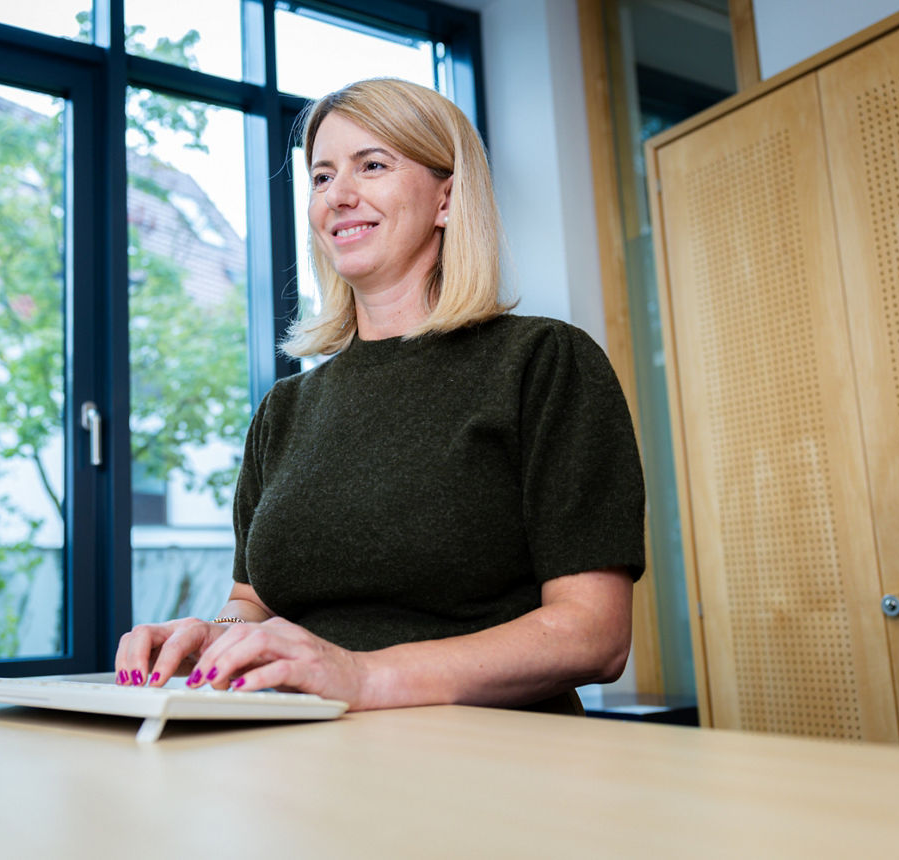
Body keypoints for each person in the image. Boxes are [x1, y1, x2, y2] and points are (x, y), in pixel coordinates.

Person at [115, 78, 645, 715]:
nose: (338, 196)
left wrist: (364, 677)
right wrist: (216, 637)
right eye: (320, 177)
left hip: (492, 761)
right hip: (302, 757)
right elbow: (253, 602)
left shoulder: (543, 363)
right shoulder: (284, 410)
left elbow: (594, 635)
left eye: (372, 165)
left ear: (447, 198)